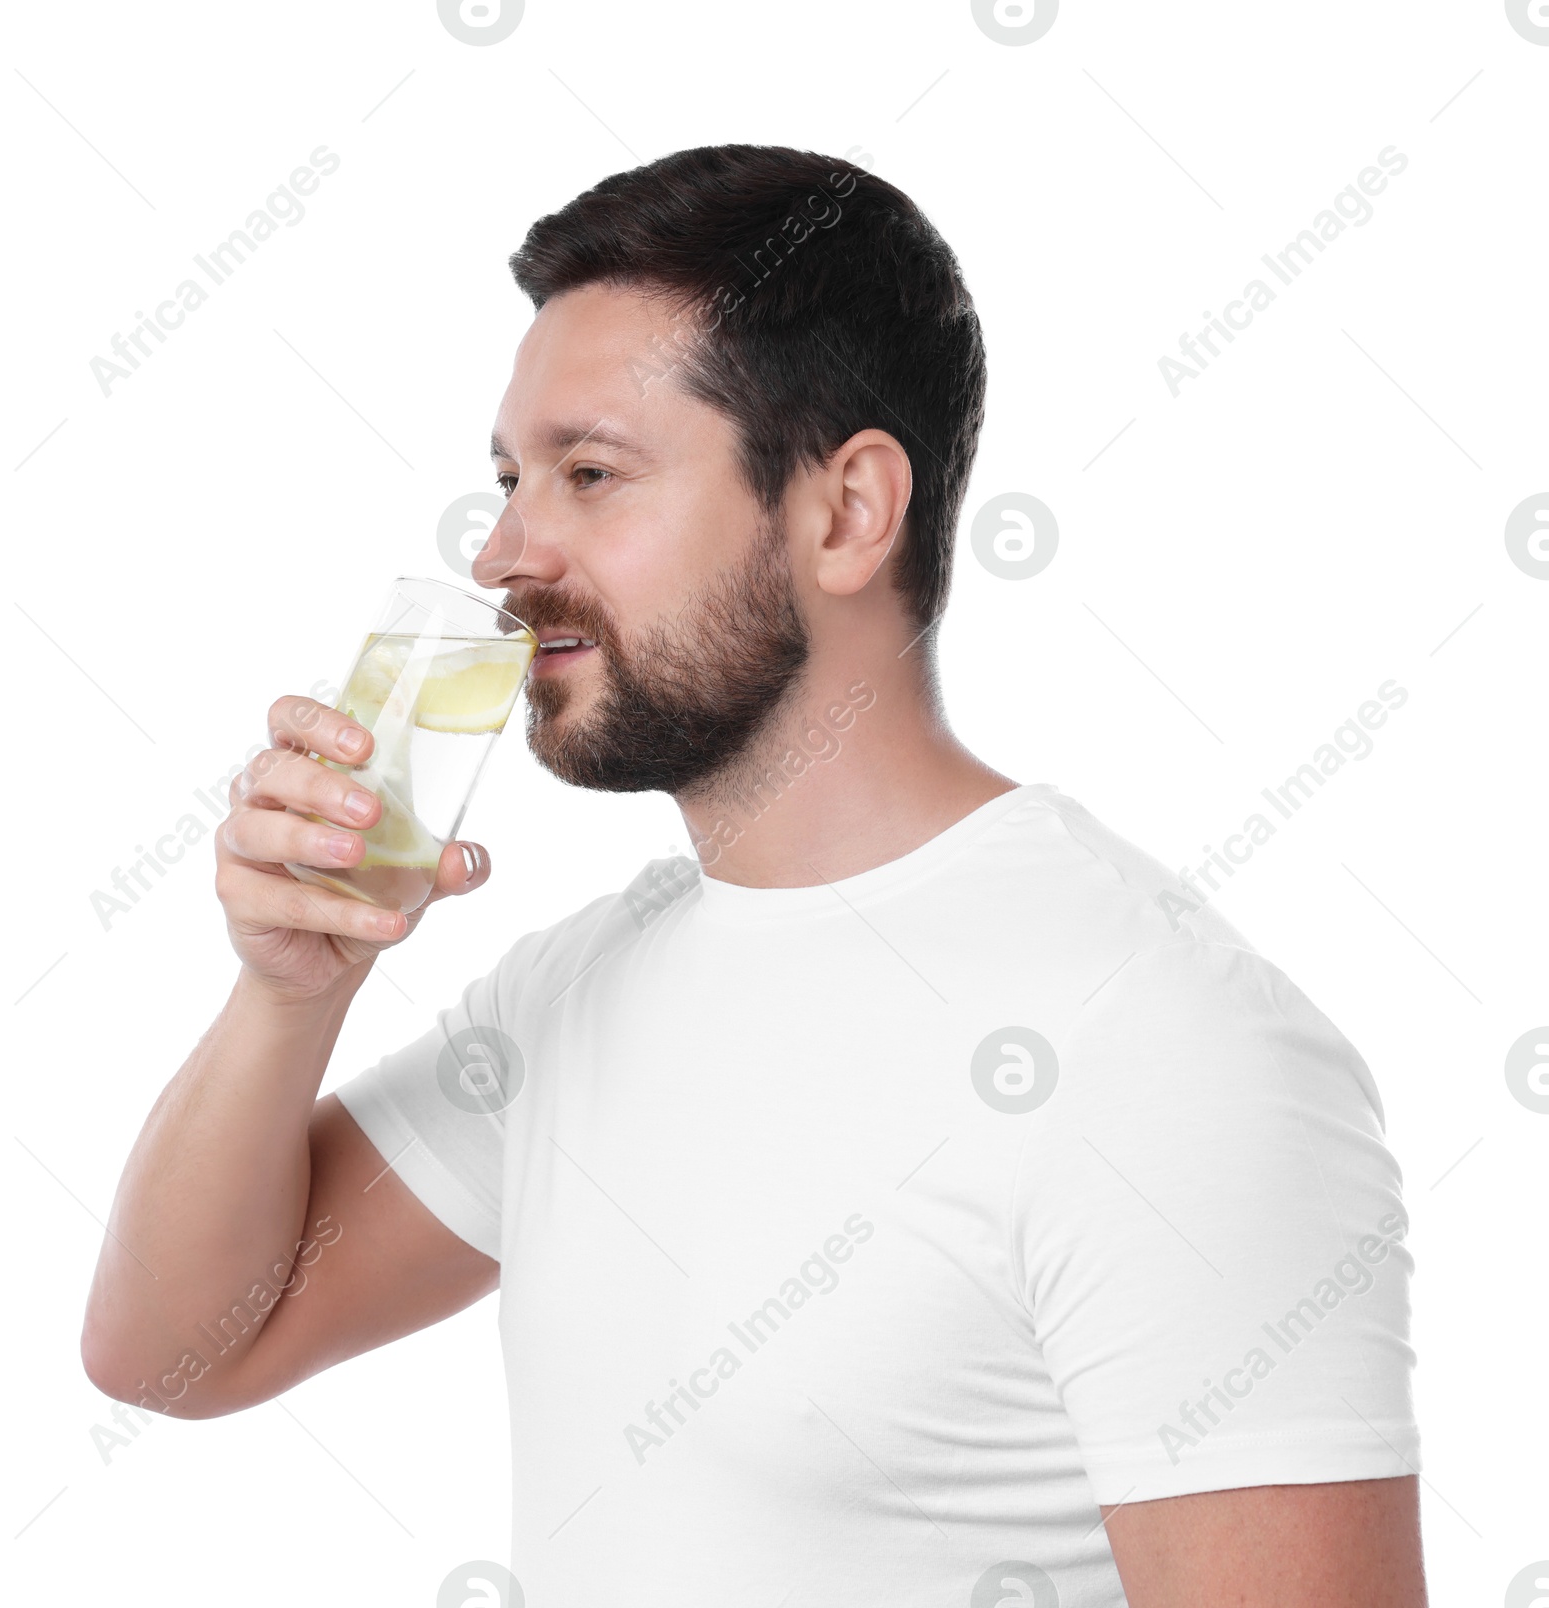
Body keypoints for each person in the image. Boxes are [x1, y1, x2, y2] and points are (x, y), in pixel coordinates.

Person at [82, 144, 1426, 1606]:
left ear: (846, 512)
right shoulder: (577, 991)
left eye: (590, 475)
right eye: (508, 481)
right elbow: (171, 1354)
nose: (504, 555)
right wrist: (291, 992)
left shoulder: (1165, 1044)